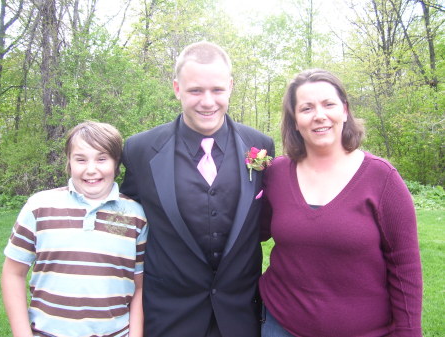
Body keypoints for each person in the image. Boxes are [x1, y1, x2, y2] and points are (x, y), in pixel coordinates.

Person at [120, 41, 275, 337]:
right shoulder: (140, 150)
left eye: (217, 90)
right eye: (195, 91)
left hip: (241, 314)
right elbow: (126, 221)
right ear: (177, 89)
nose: (207, 101)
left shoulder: (261, 146)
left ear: (230, 87)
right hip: (169, 316)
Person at [259, 69, 423, 337]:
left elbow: (405, 266)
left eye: (328, 104)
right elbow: (254, 231)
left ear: (345, 111)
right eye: (306, 108)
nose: (319, 115)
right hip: (281, 325)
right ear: (295, 119)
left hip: (363, 330)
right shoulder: (276, 173)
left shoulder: (382, 178)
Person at [1, 121, 148, 337]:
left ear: (116, 164)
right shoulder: (39, 207)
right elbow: (13, 274)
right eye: (80, 159)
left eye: (102, 158)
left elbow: (139, 288)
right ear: (69, 163)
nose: (91, 169)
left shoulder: (136, 216)